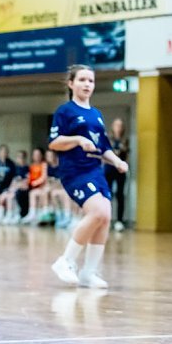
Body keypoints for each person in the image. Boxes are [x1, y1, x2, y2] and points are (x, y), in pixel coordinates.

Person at [49, 64, 128, 289]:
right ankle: (65, 261)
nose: (87, 84)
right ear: (71, 84)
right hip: (75, 171)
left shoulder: (96, 115)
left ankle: (88, 273)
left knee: (105, 217)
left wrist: (116, 161)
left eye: (91, 81)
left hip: (96, 171)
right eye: (82, 80)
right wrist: (76, 140)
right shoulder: (65, 111)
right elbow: (54, 142)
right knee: (98, 211)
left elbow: (103, 147)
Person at [105, 118, 129, 232]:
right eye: (116, 125)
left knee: (120, 195)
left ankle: (119, 220)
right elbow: (105, 154)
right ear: (112, 127)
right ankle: (107, 220)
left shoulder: (125, 140)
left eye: (120, 125)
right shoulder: (108, 139)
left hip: (120, 171)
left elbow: (125, 155)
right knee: (107, 195)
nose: (118, 128)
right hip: (109, 169)